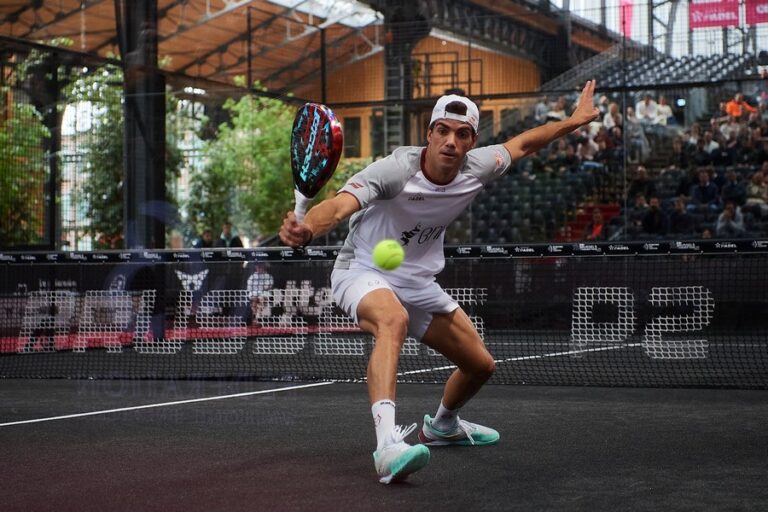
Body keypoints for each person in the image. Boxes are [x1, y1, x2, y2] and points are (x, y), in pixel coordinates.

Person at [279, 81, 601, 484]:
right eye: (443, 131)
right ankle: (387, 447)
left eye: (462, 134)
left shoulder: (479, 166)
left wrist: (574, 121)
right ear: (429, 134)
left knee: (480, 365)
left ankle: (443, 426)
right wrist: (307, 228)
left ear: (471, 142)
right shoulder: (396, 170)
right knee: (392, 320)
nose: (451, 141)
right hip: (360, 269)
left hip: (416, 281)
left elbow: (523, 143)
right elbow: (339, 206)